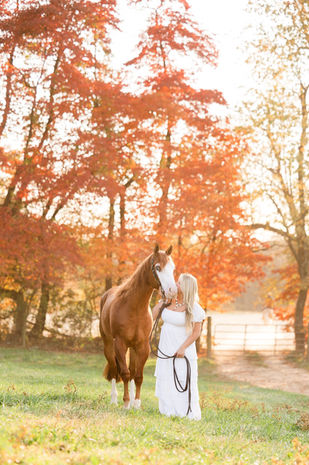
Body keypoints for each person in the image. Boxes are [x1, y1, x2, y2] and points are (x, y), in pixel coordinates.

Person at [152, 273, 206, 420]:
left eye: (179, 283)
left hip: (182, 350)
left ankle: (185, 412)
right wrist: (164, 300)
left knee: (182, 379)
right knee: (167, 378)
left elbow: (196, 332)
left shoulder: (194, 308)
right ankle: (168, 411)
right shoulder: (170, 302)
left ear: (186, 287)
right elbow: (154, 315)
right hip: (166, 349)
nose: (176, 284)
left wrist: (183, 348)